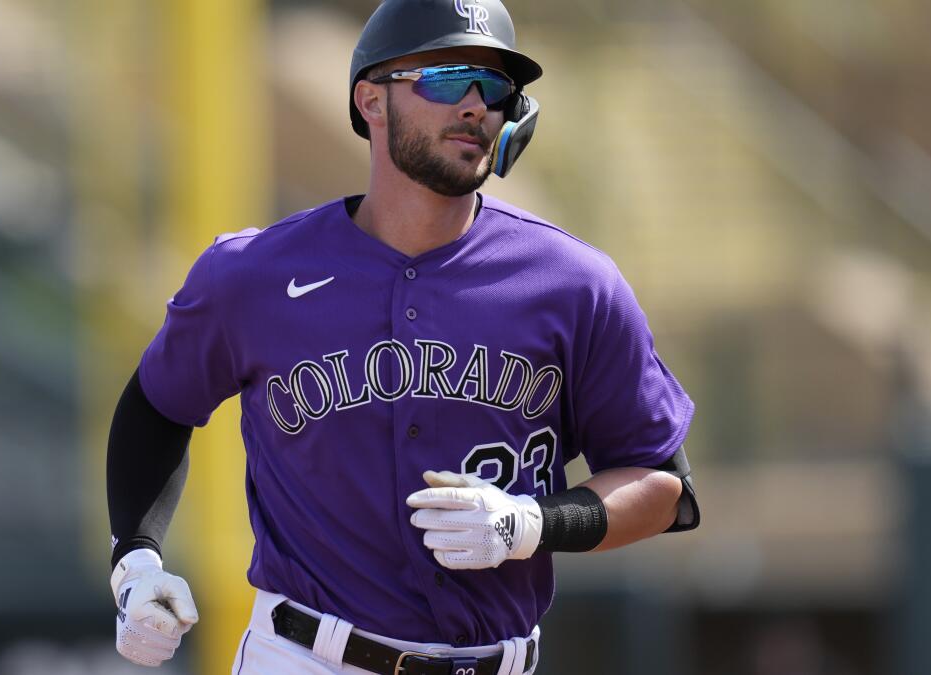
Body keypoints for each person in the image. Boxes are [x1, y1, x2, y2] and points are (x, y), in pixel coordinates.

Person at [106, 0, 700, 673]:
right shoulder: (253, 275)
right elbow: (157, 405)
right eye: (449, 78)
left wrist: (530, 523)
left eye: (497, 87)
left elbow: (662, 485)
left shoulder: (574, 283)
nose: (477, 106)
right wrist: (136, 559)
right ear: (372, 99)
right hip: (306, 656)